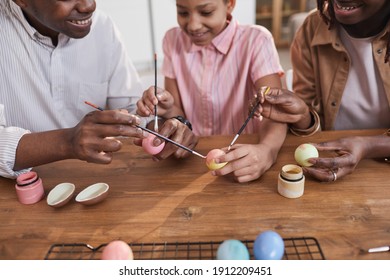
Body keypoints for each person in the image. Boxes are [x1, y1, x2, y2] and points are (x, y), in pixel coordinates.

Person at [0, 0, 196, 179]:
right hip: (21, 194)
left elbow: (131, 111)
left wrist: (162, 126)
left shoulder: (101, 27)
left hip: (97, 182)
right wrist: (67, 142)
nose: (89, 6)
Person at [137, 0, 287, 183]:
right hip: (192, 159)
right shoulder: (172, 40)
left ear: (230, 4)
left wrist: (267, 150)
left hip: (246, 158)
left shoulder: (256, 40)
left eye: (206, 12)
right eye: (183, 13)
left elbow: (276, 112)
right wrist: (169, 111)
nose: (193, 25)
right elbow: (177, 112)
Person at [252, 0, 390, 182]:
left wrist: (369, 146)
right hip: (330, 166)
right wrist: (303, 116)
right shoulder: (312, 28)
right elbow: (316, 129)